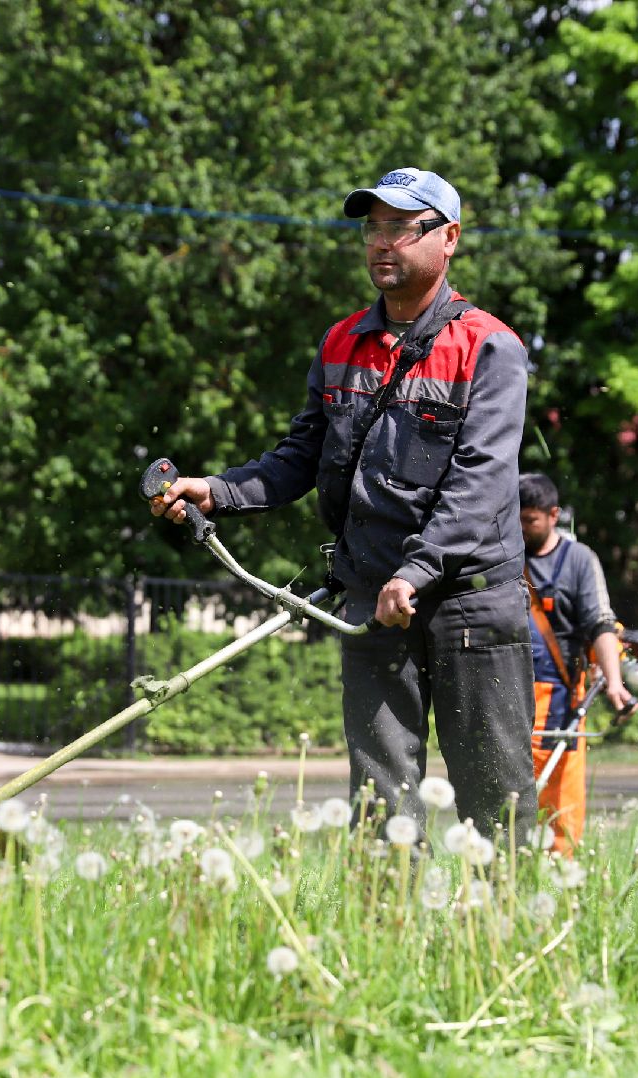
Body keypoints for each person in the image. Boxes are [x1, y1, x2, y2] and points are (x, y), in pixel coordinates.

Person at [152, 167, 535, 836]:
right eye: (372, 228)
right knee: (382, 801)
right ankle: (387, 904)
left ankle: (509, 902)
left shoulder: (489, 346)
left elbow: (481, 481)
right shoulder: (340, 342)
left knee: (493, 792)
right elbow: (300, 456)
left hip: (470, 603)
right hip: (373, 598)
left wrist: (416, 571)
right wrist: (216, 491)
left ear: (448, 239)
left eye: (401, 228)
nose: (382, 242)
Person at [518, 472, 635, 855]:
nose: (521, 528)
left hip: (560, 701)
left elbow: (601, 624)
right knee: (508, 802)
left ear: (554, 515)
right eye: (515, 518)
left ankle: (558, 873)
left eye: (530, 520)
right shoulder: (502, 554)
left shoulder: (579, 560)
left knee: (560, 806)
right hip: (505, 694)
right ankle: (506, 869)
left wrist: (614, 682)